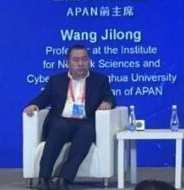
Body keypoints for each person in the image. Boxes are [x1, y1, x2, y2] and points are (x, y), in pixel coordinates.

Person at [23, 45, 116, 190]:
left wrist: (107, 102)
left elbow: (110, 97)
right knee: (58, 128)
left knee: (87, 132)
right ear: (68, 63)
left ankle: (64, 179)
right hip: (61, 120)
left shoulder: (100, 80)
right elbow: (43, 97)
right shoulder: (56, 80)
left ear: (89, 61)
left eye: (84, 59)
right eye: (76, 60)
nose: (81, 63)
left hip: (85, 122)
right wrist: (34, 105)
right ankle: (43, 179)